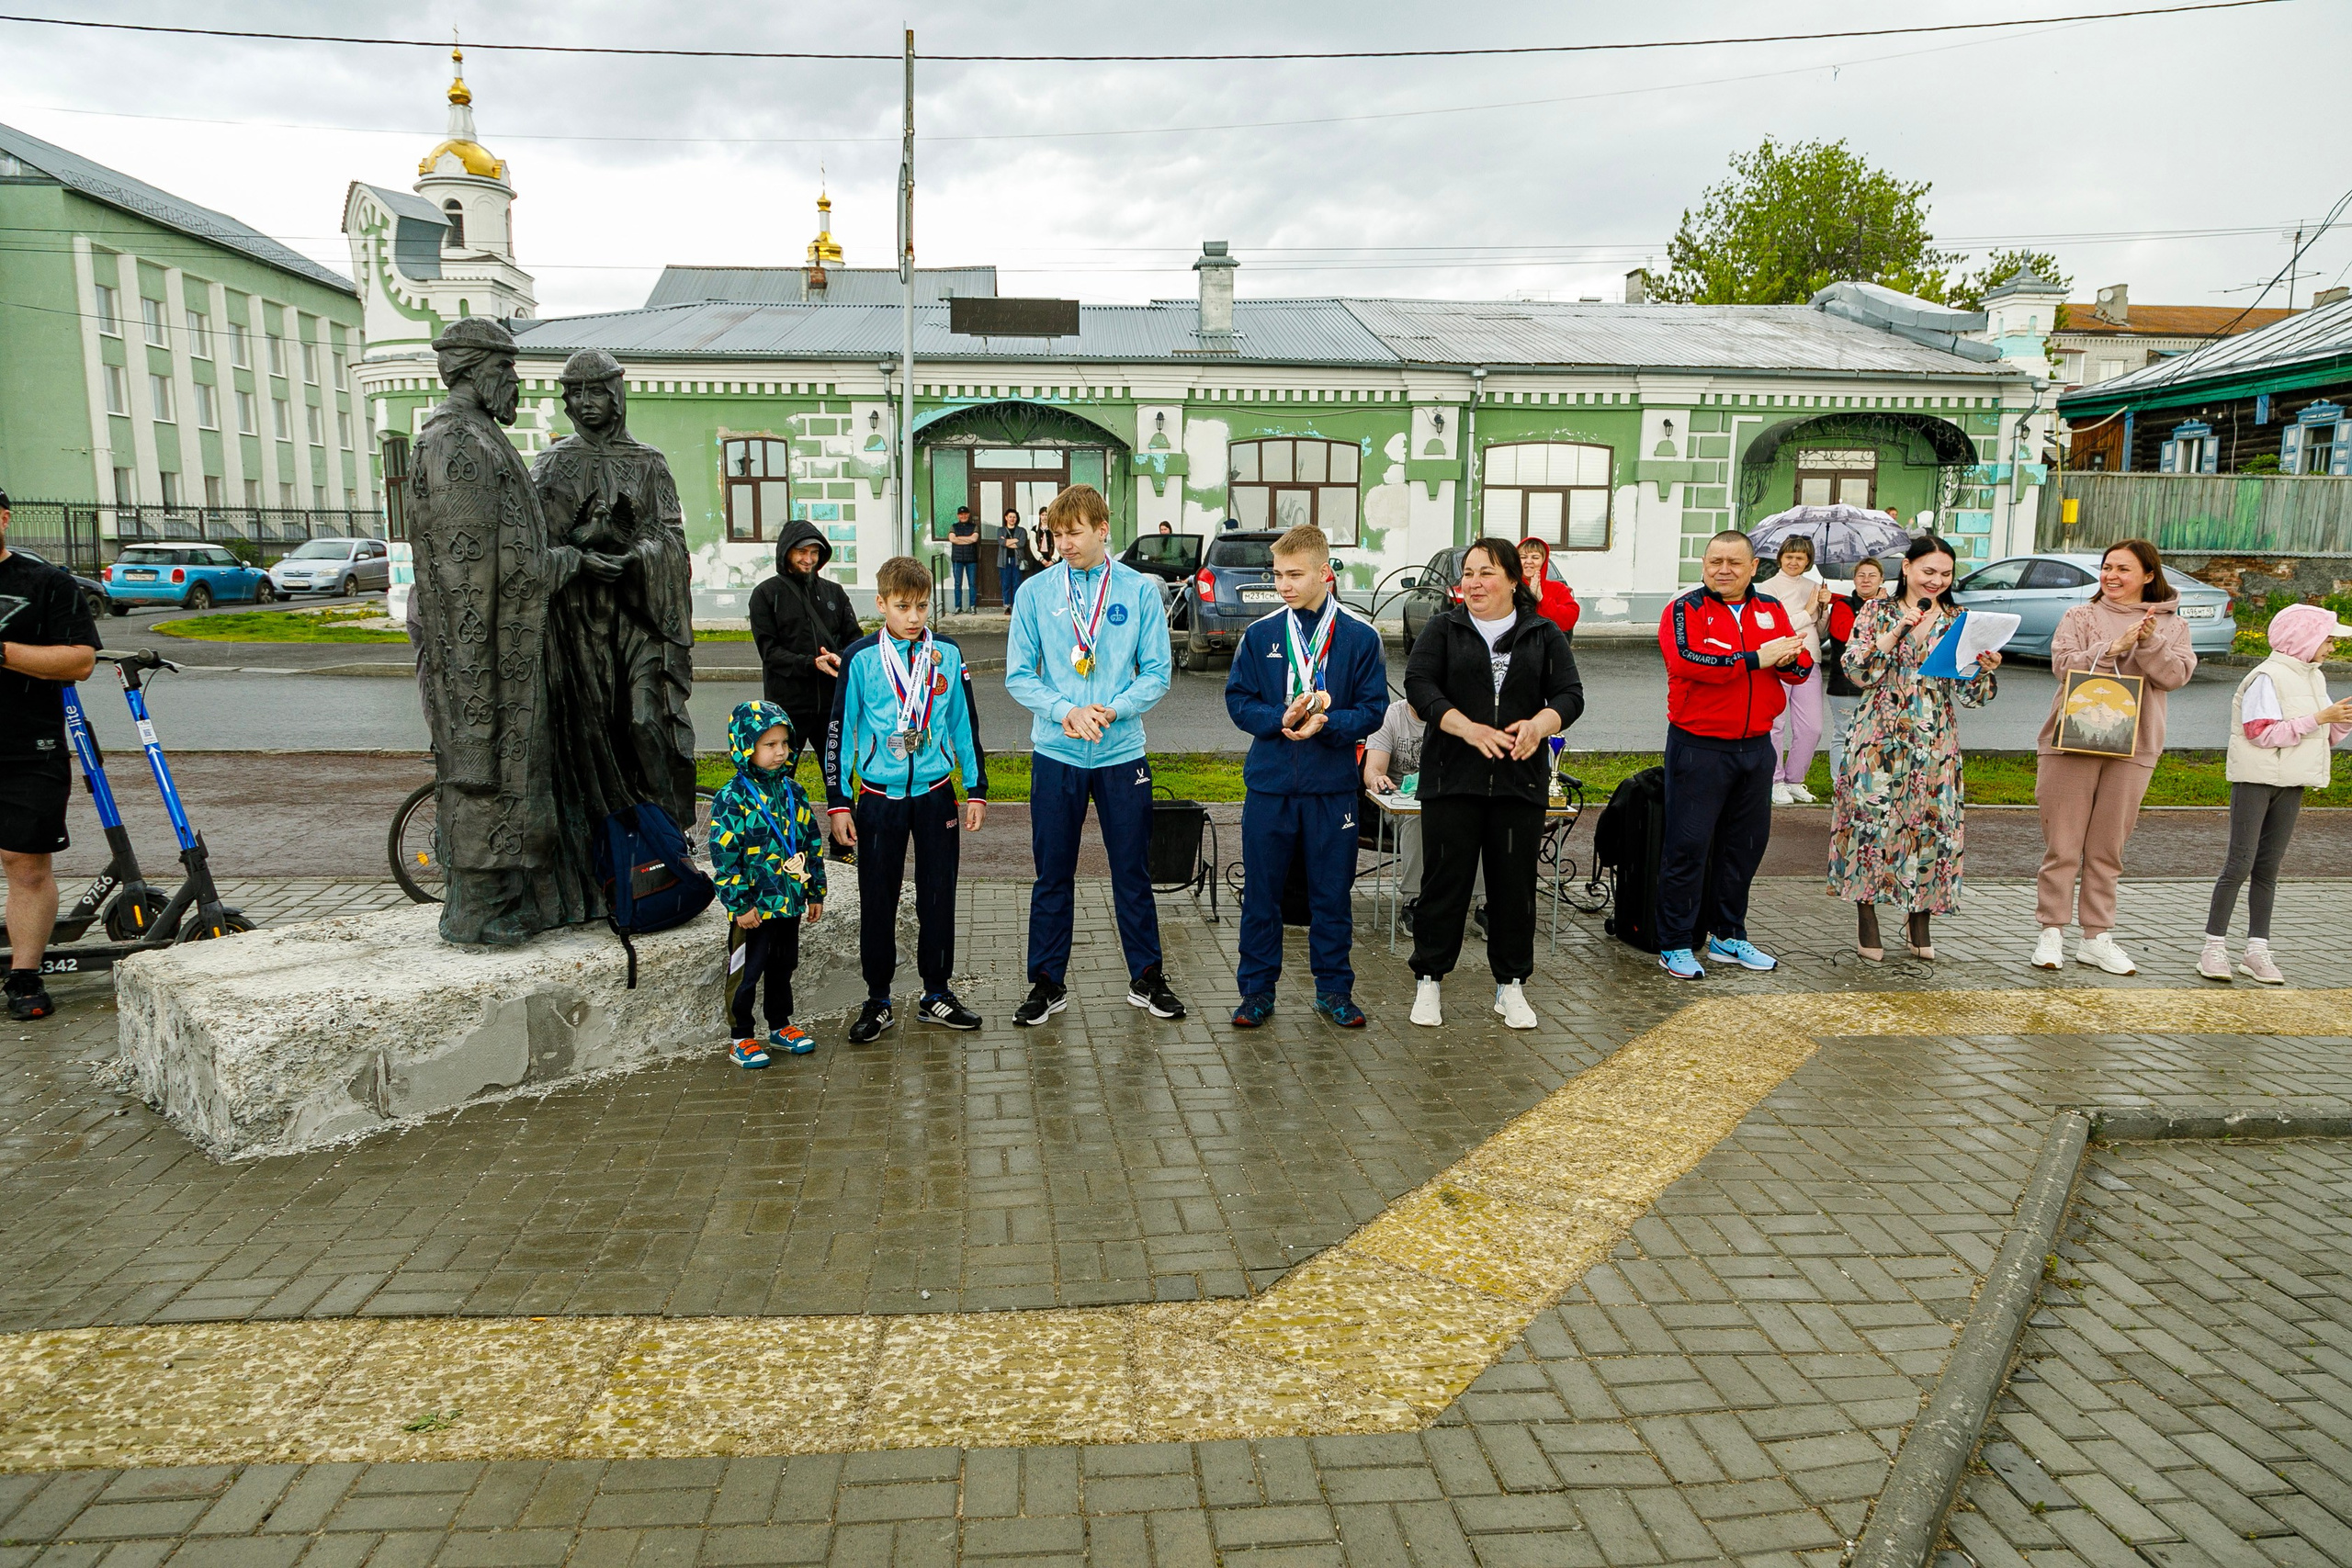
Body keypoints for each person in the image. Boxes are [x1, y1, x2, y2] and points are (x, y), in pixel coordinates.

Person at [1004, 484, 1185, 1025]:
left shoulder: (1139, 590)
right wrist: (1065, 710)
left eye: (1074, 533)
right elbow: (1019, 674)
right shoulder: (1035, 592)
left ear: (1103, 530)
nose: (1063, 543)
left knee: (1132, 870)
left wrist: (1114, 710)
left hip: (1120, 752)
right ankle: (1046, 983)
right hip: (1056, 753)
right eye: (1055, 534)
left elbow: (1157, 672)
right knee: (1052, 872)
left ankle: (1147, 977)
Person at [1402, 536, 1583, 1029]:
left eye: (1486, 573)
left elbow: (1570, 695)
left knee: (1513, 888)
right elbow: (1419, 686)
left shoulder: (1543, 633)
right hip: (1452, 779)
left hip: (1518, 783)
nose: (1474, 583)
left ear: (1512, 581)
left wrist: (1539, 726)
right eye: (1468, 573)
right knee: (1444, 885)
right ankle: (1429, 980)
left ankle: (1511, 985)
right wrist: (1466, 728)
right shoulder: (1444, 628)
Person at [1225, 524, 1390, 1028]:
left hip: (1331, 789)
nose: (1284, 585)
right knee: (1261, 896)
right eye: (1277, 574)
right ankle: (1256, 992)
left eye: (1294, 575)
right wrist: (1280, 717)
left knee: (1331, 896)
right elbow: (1238, 700)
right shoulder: (1261, 634)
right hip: (1270, 787)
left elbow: (1374, 708)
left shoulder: (1360, 637)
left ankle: (1334, 991)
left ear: (1324, 572)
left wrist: (1327, 723)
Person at [823, 556, 989, 1042]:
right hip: (879, 798)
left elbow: (964, 724)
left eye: (921, 606)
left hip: (936, 796)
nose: (914, 617)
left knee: (939, 896)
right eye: (902, 606)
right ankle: (878, 999)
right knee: (879, 899)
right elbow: (840, 732)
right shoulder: (860, 658)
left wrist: (975, 789)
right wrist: (838, 802)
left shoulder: (947, 654)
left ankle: (936, 993)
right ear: (881, 604)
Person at [1826, 536, 2000, 963]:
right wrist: (1896, 631)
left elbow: (1973, 697)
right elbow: (1856, 671)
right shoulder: (1876, 611)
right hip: (1877, 735)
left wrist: (1983, 670)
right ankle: (1867, 917)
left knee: (1931, 826)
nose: (1937, 581)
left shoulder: (1959, 620)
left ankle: (1919, 918)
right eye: (1928, 571)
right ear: (1906, 568)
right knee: (1869, 825)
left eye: (1946, 574)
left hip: (1934, 739)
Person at [2032, 538, 2197, 976]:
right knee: (2063, 844)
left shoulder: (2173, 625)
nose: (2111, 576)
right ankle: (2051, 931)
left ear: (2148, 575)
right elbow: (2063, 666)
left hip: (2135, 746)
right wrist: (2113, 647)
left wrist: (2149, 641)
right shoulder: (2080, 615)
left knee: (2107, 848)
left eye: (2123, 569)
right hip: (2072, 740)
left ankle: (2096, 937)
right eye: (2107, 568)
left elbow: (2175, 676)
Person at [1655, 530, 1813, 980]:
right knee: (1687, 847)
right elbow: (1686, 661)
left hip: (1757, 747)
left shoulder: (1771, 608)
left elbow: (1799, 668)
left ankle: (1728, 935)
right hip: (1699, 746)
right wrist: (1756, 658)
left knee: (1744, 847)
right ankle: (1675, 943)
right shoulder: (1685, 609)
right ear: (1704, 565)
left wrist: (1789, 660)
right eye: (1715, 562)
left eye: (1734, 563)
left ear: (1753, 567)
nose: (1723, 570)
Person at [2199, 603, 2352, 984]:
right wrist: (2319, 718)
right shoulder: (2267, 677)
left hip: (2292, 782)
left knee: (2268, 867)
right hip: (2256, 781)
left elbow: (2325, 736)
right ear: (2304, 640)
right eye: (2328, 640)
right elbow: (2260, 733)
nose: (2332, 648)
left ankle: (2257, 950)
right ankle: (2213, 948)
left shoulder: (2313, 677)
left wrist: (2340, 720)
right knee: (2240, 864)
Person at [0, 487, 99, 1021]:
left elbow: (79, 661)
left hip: (26, 746)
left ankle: (24, 975)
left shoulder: (47, 583)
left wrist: (1, 652)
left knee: (26, 863)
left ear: (4, 519)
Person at [710, 702, 827, 1066]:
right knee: (746, 971)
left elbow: (811, 843)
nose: (780, 752)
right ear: (745, 747)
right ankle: (741, 1035)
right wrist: (739, 904)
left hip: (789, 901)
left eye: (785, 744)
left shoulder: (794, 791)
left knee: (783, 966)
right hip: (754, 910)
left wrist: (815, 890)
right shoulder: (732, 798)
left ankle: (780, 1024)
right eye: (769, 745)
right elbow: (724, 856)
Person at [752, 519, 862, 775]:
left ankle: (842, 804)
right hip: (788, 706)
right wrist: (811, 664)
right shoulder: (766, 594)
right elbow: (770, 652)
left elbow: (855, 639)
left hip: (832, 704)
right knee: (781, 776)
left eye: (814, 553)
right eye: (801, 552)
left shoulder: (834, 592)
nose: (808, 559)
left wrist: (839, 657)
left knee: (839, 775)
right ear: (786, 552)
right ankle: (781, 805)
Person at [1755, 536, 1834, 805]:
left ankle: (1794, 780)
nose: (1794, 562)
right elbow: (1772, 627)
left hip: (1809, 660)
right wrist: (1808, 611)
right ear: (1780, 558)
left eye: (1800, 558)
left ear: (1808, 561)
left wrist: (1823, 608)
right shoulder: (1768, 588)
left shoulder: (1814, 587)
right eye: (1789, 556)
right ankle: (1774, 781)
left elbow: (1819, 631)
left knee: (1812, 727)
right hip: (1777, 661)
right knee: (1775, 725)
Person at [1821, 557, 1888, 786]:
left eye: (1872, 575)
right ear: (1854, 579)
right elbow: (1846, 635)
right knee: (1844, 734)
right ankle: (1839, 784)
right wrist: (1875, 610)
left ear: (1881, 580)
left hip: (1879, 684)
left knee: (1876, 737)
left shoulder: (1891, 608)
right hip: (1845, 686)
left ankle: (1867, 784)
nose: (1866, 580)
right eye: (1861, 575)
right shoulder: (1843, 606)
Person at [1517, 536, 1582, 638]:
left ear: (1544, 561)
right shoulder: (1509, 587)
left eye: (1535, 557)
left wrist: (1541, 599)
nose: (1528, 561)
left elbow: (1569, 620)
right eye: (1523, 557)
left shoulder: (1558, 588)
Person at [947, 505, 981, 613]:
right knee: (957, 584)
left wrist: (959, 539)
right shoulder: (954, 526)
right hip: (957, 560)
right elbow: (952, 539)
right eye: (961, 514)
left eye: (965, 514)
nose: (963, 516)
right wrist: (967, 539)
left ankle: (972, 606)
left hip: (971, 559)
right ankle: (958, 607)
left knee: (972, 584)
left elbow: (974, 539)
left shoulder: (974, 526)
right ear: (958, 515)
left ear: (969, 515)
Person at [997, 508, 1027, 604]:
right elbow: (1001, 542)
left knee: (1017, 583)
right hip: (1004, 561)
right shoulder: (1001, 530)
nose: (1012, 519)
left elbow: (1021, 543)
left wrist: (1007, 542)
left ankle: (1016, 604)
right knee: (1006, 584)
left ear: (1017, 518)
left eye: (1014, 517)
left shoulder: (1021, 531)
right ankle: (1007, 605)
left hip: (1017, 560)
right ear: (1006, 518)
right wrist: (1015, 540)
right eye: (1010, 517)